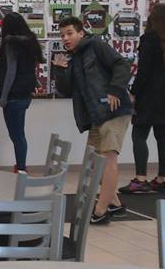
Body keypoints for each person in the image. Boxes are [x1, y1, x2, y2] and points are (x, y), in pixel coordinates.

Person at [51, 16, 132, 225]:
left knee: (108, 157)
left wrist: (115, 89)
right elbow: (65, 90)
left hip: (113, 110)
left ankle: (101, 211)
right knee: (95, 162)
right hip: (96, 116)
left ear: (81, 33)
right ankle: (114, 203)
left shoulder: (96, 45)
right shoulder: (72, 57)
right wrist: (59, 70)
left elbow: (121, 64)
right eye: (62, 35)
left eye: (69, 33)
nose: (65, 38)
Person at [120, 3, 165, 194]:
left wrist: (133, 92)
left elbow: (144, 71)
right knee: (163, 136)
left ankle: (140, 179)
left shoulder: (148, 39)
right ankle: (162, 179)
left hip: (150, 96)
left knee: (138, 135)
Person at [0, 12, 43, 173]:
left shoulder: (10, 44)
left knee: (16, 136)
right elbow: (30, 69)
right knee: (19, 135)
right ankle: (21, 167)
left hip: (13, 96)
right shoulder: (30, 42)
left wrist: (3, 97)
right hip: (25, 95)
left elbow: (11, 72)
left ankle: (21, 169)